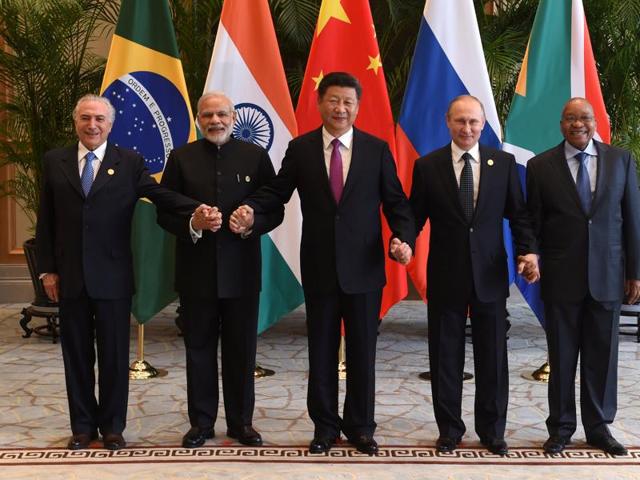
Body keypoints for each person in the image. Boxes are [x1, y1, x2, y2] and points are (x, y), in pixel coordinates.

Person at [230, 72, 415, 455]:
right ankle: (325, 427)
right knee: (322, 351)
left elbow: (396, 203)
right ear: (320, 103)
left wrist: (403, 239)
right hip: (318, 266)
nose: (341, 108)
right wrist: (250, 206)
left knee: (363, 351)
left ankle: (362, 427)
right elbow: (277, 191)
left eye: (348, 102)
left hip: (364, 269)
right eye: (334, 100)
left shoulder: (376, 149)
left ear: (357, 107)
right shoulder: (300, 150)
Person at [35, 94, 202, 450]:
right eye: (85, 118)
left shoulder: (128, 161)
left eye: (99, 119)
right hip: (69, 276)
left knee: (113, 357)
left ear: (110, 125)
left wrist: (196, 208)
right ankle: (82, 427)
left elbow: (159, 195)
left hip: (112, 276)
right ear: (75, 122)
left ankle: (112, 427)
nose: (91, 125)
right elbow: (46, 219)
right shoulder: (55, 161)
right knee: (77, 356)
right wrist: (48, 270)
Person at [409, 95, 539, 456]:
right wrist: (402, 240)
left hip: (490, 275)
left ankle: (492, 430)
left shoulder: (504, 164)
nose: (467, 129)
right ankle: (449, 430)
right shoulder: (428, 166)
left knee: (493, 357)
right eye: (460, 121)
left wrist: (528, 251)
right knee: (445, 357)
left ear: (484, 126)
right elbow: (414, 216)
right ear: (447, 122)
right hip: (446, 275)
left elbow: (520, 216)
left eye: (474, 122)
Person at [156, 92, 283, 449]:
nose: (216, 121)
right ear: (198, 119)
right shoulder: (180, 158)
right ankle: (201, 423)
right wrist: (192, 223)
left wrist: (252, 222)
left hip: (242, 274)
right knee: (198, 350)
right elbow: (164, 212)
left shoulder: (255, 157)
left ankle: (242, 423)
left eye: (222, 114)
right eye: (208, 114)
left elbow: (275, 208)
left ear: (233, 117)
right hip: (196, 274)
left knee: (242, 351)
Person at [527, 97, 640, 456]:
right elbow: (532, 222)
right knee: (561, 357)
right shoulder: (540, 166)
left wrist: (635, 272)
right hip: (561, 277)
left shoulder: (621, 159)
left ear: (596, 122)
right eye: (571, 118)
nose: (578, 124)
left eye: (585, 118)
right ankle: (560, 428)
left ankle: (598, 427)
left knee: (602, 356)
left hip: (608, 276)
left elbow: (633, 220)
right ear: (561, 124)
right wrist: (530, 255)